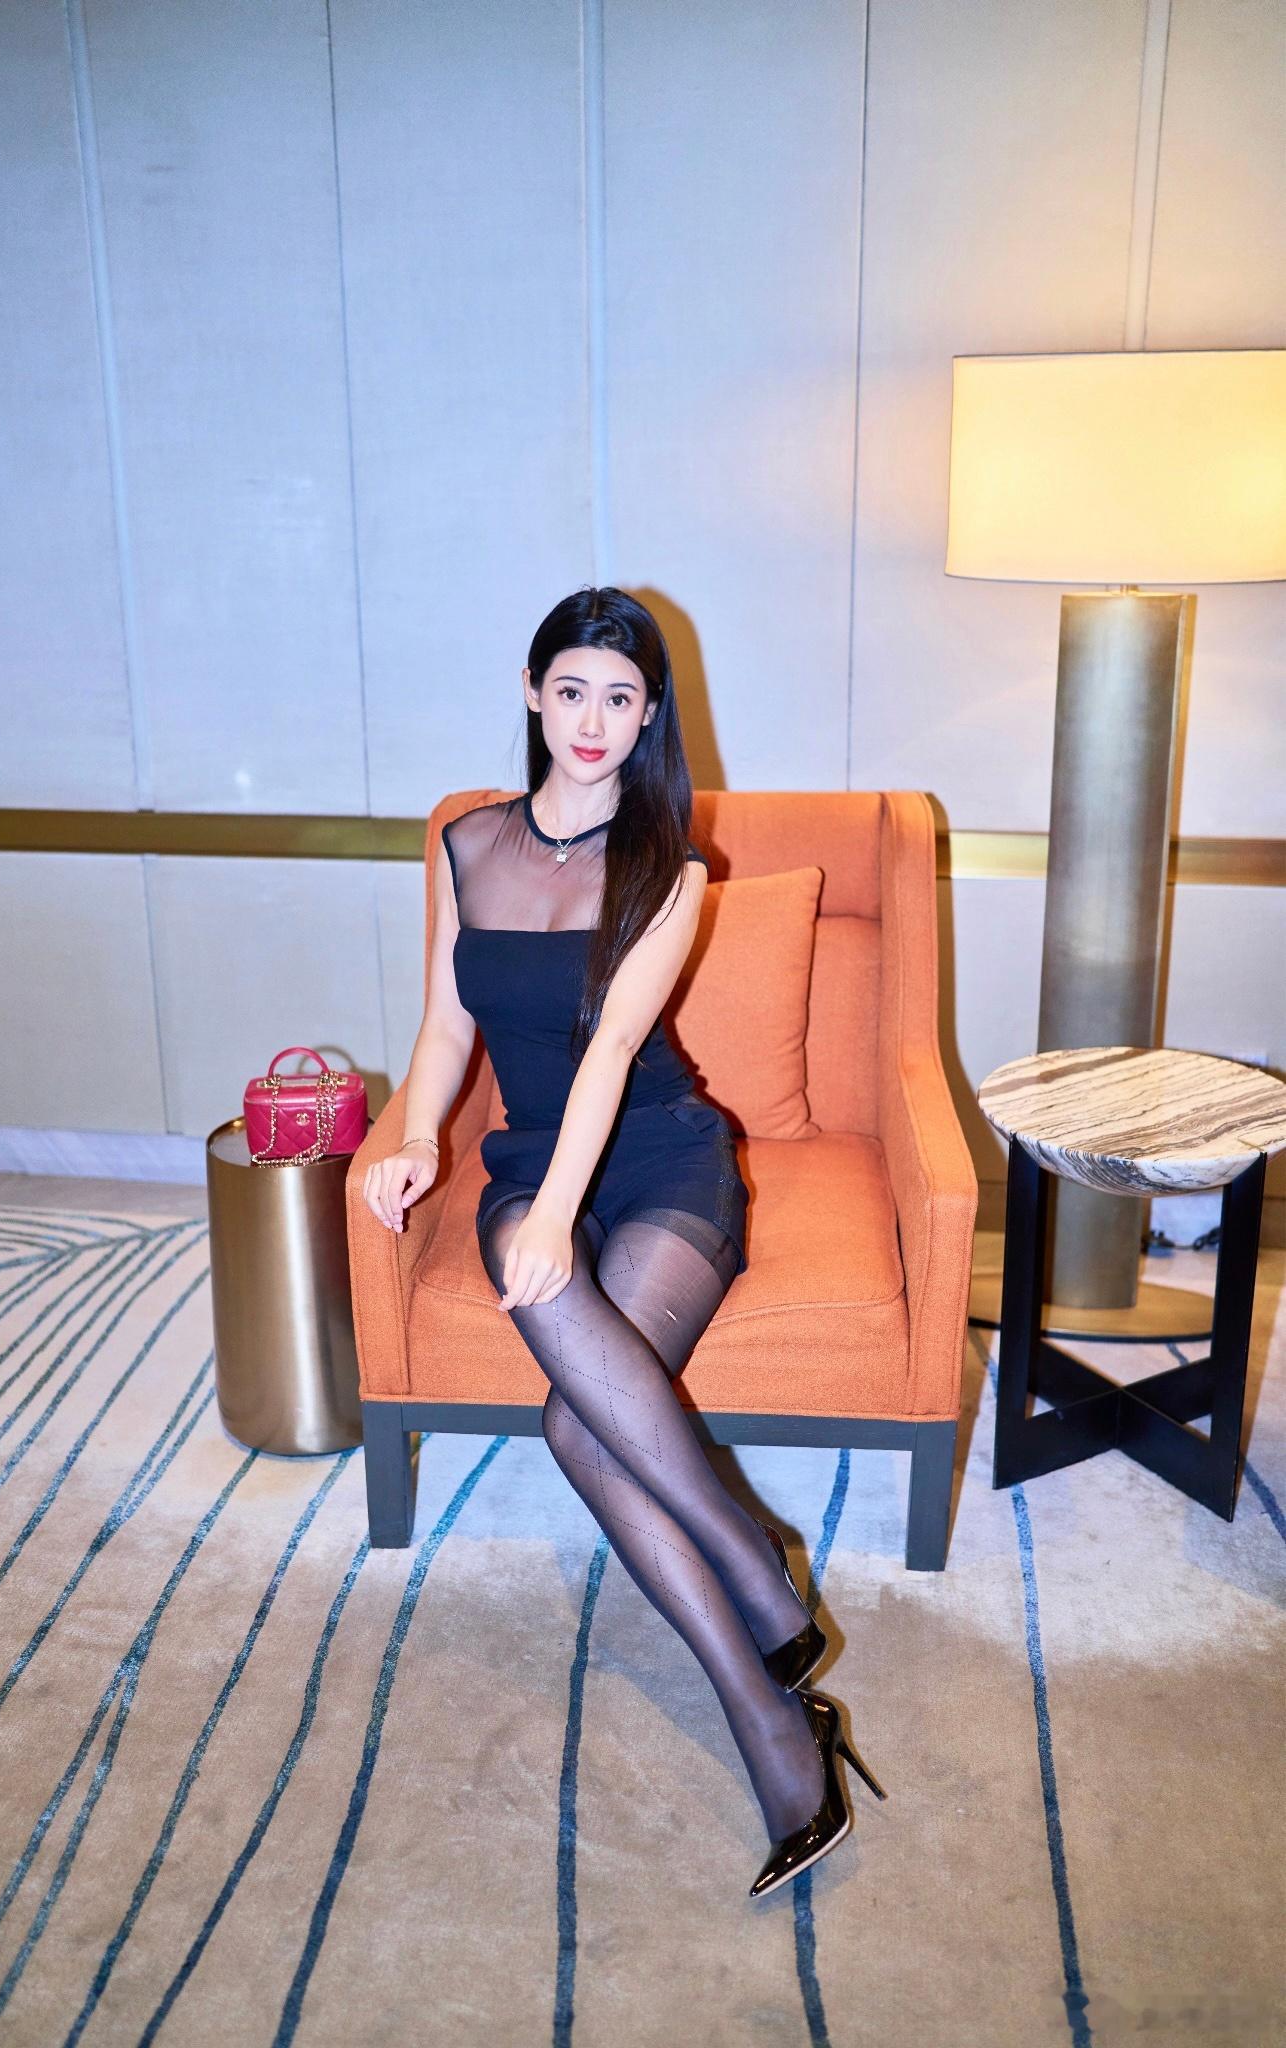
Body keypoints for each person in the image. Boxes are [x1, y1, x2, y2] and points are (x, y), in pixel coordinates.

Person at [363, 586, 883, 1897]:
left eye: (620, 698)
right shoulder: (465, 843)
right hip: (527, 1160)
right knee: (566, 1367)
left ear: (649, 717)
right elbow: (445, 1026)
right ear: (533, 692)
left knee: (575, 1426)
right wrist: (415, 1137)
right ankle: (764, 1611)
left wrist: (557, 1217)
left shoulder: (669, 868)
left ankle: (769, 1699)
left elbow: (608, 1056)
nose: (592, 721)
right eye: (572, 690)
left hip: (657, 1155)